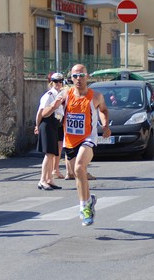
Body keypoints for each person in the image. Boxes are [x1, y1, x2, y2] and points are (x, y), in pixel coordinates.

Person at [43, 64, 111, 226]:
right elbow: (45, 113)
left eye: (81, 75)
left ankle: (84, 208)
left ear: (87, 76)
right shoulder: (65, 94)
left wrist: (105, 125)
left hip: (88, 138)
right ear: (71, 78)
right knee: (77, 174)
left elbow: (103, 110)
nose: (78, 79)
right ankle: (89, 201)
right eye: (75, 76)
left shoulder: (96, 96)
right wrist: (54, 106)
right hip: (70, 141)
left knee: (80, 168)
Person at [34, 72, 65, 191]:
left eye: (60, 81)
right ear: (51, 82)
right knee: (48, 154)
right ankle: (42, 180)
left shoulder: (59, 95)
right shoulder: (49, 95)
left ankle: (49, 179)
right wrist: (37, 126)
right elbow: (40, 113)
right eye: (56, 81)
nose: (58, 84)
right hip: (47, 123)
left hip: (55, 124)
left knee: (53, 153)